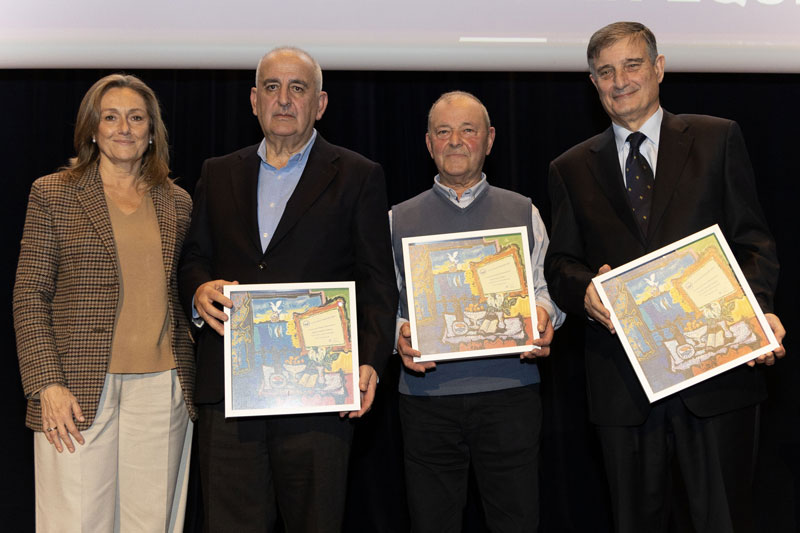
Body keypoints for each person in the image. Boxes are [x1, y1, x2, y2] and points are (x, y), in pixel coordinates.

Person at [544, 21, 787, 533]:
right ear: (593, 83)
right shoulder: (570, 167)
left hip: (718, 374)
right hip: (624, 386)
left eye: (632, 65)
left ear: (658, 68)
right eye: (605, 72)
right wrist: (585, 291)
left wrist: (756, 309)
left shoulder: (717, 138)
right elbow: (561, 264)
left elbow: (754, 243)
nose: (619, 81)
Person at [179, 47, 397, 532]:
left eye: (297, 88)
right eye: (272, 87)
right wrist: (198, 290)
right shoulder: (218, 172)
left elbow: (378, 280)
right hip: (231, 392)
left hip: (318, 391)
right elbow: (194, 257)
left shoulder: (358, 175)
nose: (283, 99)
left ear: (320, 103)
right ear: (253, 100)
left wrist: (370, 360)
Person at [13, 73, 196, 532]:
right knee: (74, 523)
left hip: (162, 388)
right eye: (110, 117)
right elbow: (29, 296)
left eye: (136, 118)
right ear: (92, 129)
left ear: (152, 131)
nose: (124, 128)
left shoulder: (178, 202)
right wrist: (47, 384)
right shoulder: (52, 193)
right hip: (74, 390)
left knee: (151, 523)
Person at [393, 91, 564, 532]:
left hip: (511, 394)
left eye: (468, 130)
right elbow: (383, 302)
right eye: (443, 131)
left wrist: (543, 313)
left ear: (489, 140)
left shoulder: (524, 211)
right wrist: (398, 333)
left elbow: (547, 287)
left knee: (516, 522)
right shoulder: (397, 219)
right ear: (428, 143)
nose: (455, 141)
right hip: (426, 400)